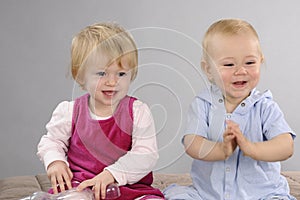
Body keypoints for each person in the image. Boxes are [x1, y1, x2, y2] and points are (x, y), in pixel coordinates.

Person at [163, 18, 296, 200]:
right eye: (228, 64)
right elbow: (192, 144)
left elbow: (286, 146)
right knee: (178, 196)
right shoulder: (203, 104)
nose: (240, 71)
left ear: (260, 62)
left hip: (262, 194)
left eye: (249, 63)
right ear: (208, 69)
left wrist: (251, 148)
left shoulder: (265, 107)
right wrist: (222, 150)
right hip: (209, 194)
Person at [37, 22, 164, 200]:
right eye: (101, 73)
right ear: (80, 75)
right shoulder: (70, 111)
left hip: (130, 189)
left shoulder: (138, 111)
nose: (112, 82)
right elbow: (52, 141)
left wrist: (112, 174)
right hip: (82, 187)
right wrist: (55, 161)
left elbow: (146, 154)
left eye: (121, 74)